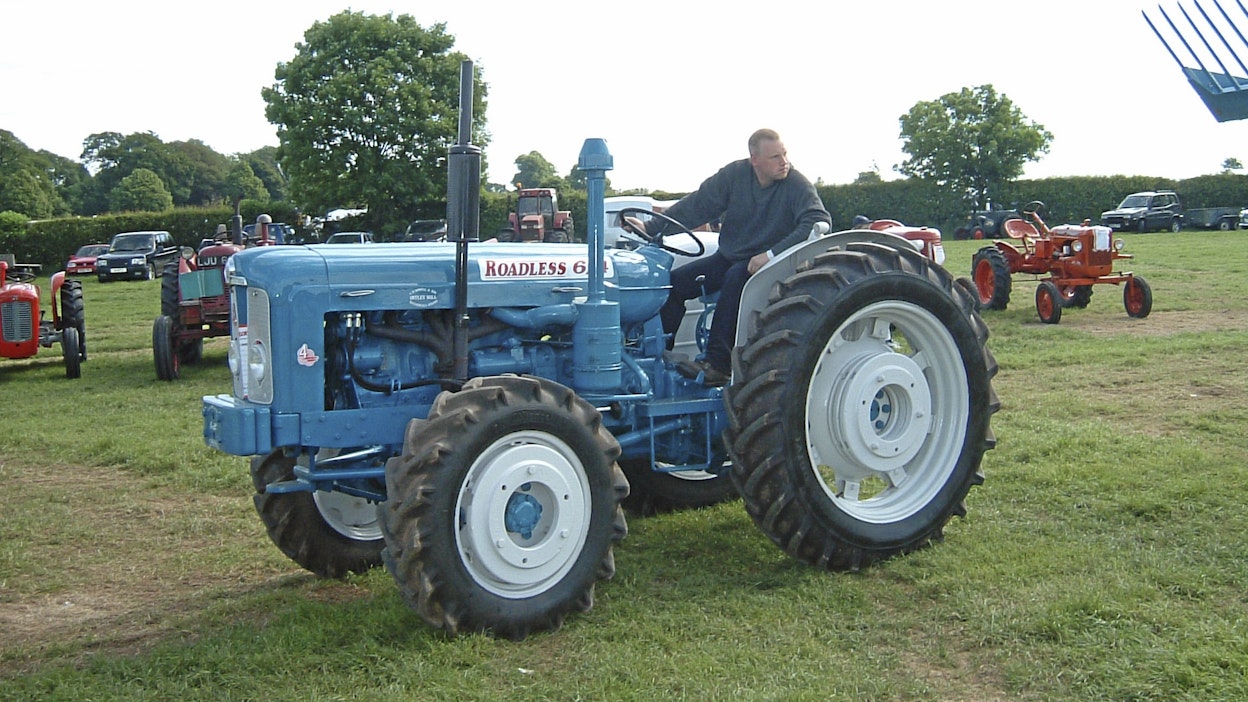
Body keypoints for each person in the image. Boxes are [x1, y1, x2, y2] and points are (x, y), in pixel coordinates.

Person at [630, 129, 831, 386]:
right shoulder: (735, 176)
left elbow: (817, 220)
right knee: (674, 284)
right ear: (754, 159)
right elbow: (698, 204)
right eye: (775, 157)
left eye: (784, 154)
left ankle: (717, 365)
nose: (784, 162)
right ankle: (658, 357)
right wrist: (651, 228)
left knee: (736, 277)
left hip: (774, 264)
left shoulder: (796, 184)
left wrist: (770, 254)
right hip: (732, 256)